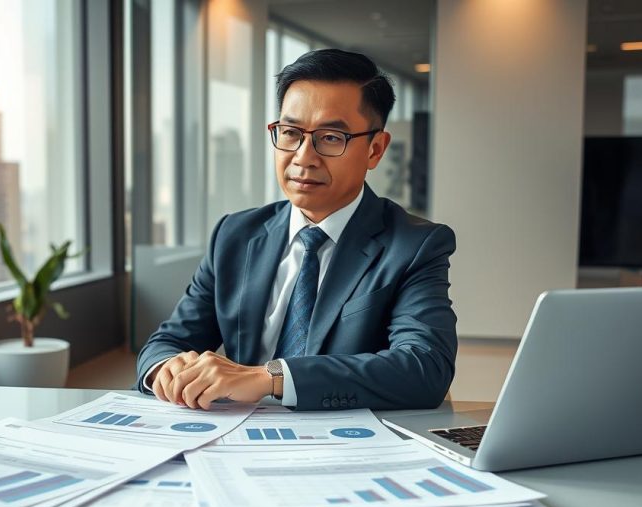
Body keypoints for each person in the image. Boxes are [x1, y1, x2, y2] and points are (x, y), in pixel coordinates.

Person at [135, 49, 457, 411]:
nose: (304, 156)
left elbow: (424, 368)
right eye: (290, 132)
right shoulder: (235, 235)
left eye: (331, 138)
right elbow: (166, 343)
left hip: (344, 443)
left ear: (375, 150)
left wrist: (269, 378)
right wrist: (167, 368)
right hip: (236, 435)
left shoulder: (415, 245)